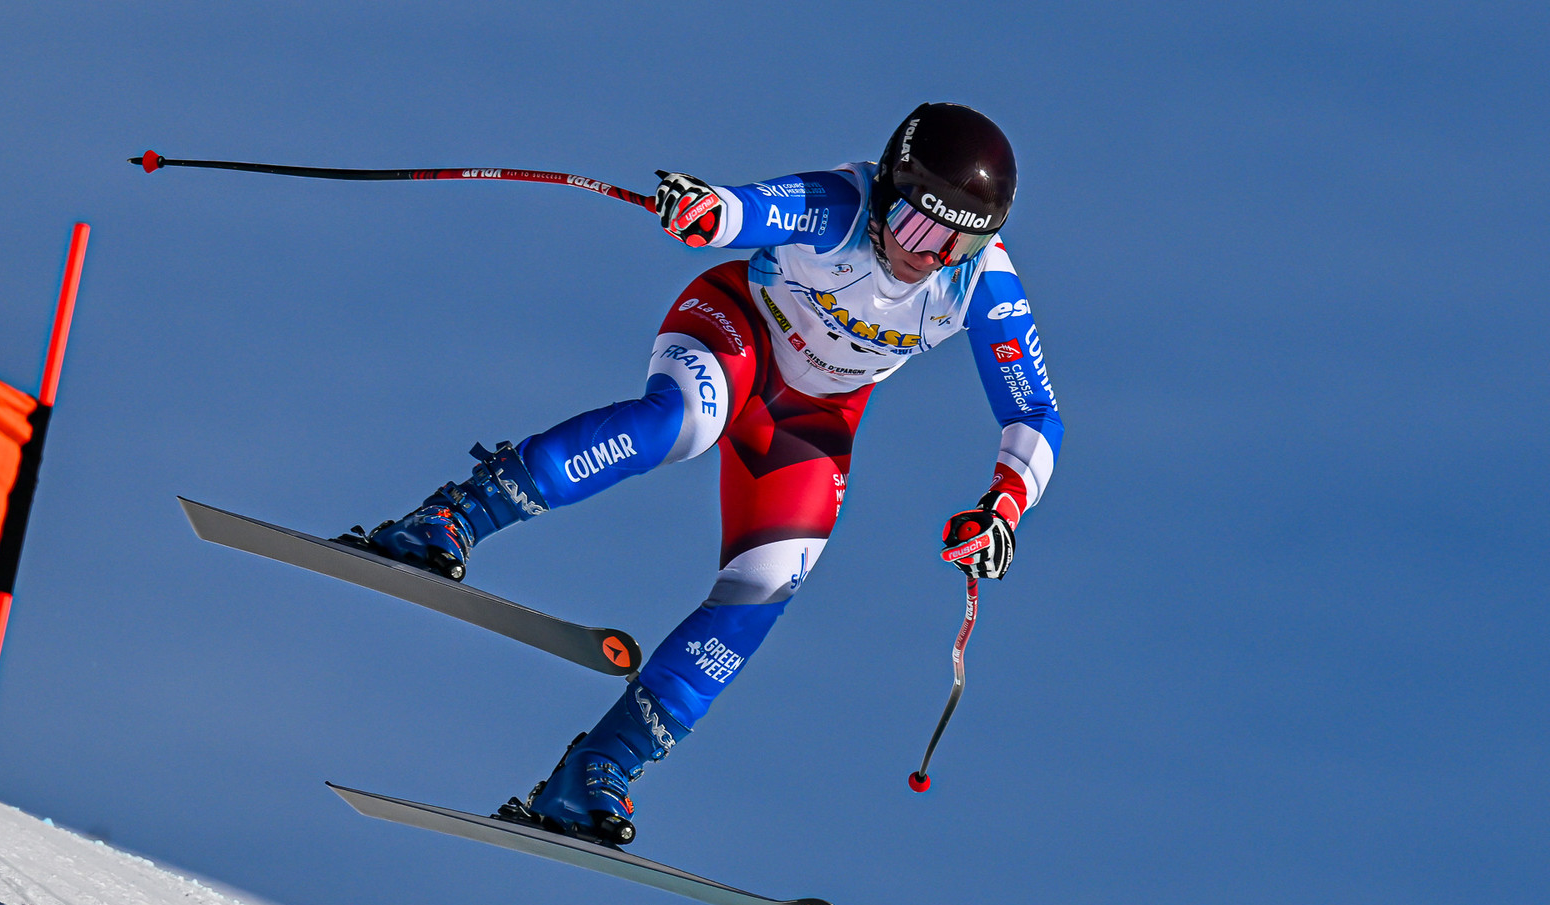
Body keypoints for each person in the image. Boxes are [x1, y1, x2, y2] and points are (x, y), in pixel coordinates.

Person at [341, 102, 1062, 845]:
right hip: (737, 331)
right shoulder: (840, 206)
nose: (927, 257)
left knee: (768, 583)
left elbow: (1036, 413)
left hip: (810, 420)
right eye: (915, 227)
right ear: (886, 193)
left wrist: (1003, 509)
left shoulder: (982, 285)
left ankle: (599, 768)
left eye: (955, 242)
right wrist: (704, 210)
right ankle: (451, 518)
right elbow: (748, 209)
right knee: (683, 422)